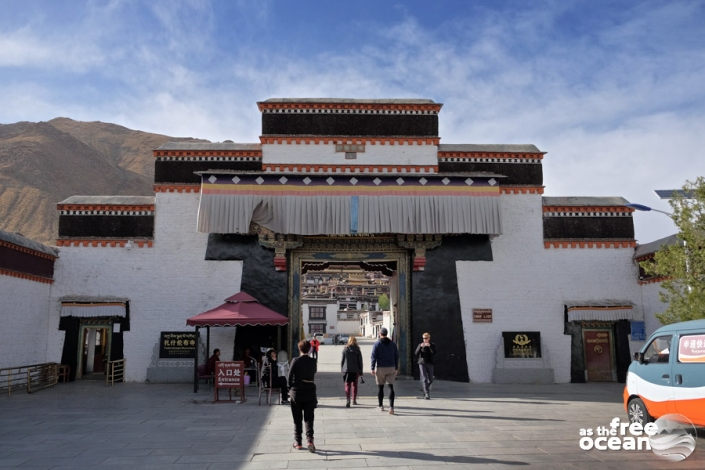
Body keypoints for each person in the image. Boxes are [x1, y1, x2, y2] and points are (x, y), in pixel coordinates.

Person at [288, 339, 318, 453]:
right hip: (310, 391)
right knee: (309, 417)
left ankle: (298, 442)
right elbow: (313, 373)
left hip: (297, 392)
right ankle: (310, 440)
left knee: (297, 418)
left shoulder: (295, 360)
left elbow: (290, 377)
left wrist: (289, 389)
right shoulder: (313, 361)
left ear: (299, 349)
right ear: (309, 349)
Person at [370, 327, 399, 414]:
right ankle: (391, 407)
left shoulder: (377, 344)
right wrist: (396, 367)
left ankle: (380, 406)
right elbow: (396, 356)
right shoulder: (393, 344)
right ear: (386, 334)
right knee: (390, 387)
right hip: (391, 367)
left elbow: (373, 356)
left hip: (381, 368)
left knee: (380, 387)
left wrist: (372, 368)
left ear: (380, 334)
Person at [341, 336, 363, 407]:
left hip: (347, 370)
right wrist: (361, 371)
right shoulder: (357, 350)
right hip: (355, 370)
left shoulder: (345, 349)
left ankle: (348, 399)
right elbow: (360, 361)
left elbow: (342, 360)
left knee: (347, 385)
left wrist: (342, 370)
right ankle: (354, 400)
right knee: (354, 385)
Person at [415, 332, 437, 399]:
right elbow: (416, 353)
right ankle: (427, 393)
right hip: (422, 363)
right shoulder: (420, 345)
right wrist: (420, 347)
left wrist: (429, 346)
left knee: (431, 379)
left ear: (429, 338)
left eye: (426, 338)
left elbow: (434, 352)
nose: (425, 340)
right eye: (424, 338)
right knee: (424, 378)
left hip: (430, 363)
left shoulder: (432, 345)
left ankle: (425, 389)